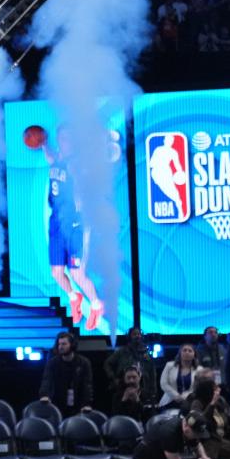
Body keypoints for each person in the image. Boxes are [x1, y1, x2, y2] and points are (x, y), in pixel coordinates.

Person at [42, 127, 103, 330]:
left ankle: (96, 305)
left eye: (67, 138)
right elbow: (51, 159)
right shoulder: (58, 158)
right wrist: (42, 142)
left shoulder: (79, 162)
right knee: (56, 273)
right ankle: (73, 296)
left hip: (76, 223)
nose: (63, 141)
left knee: (77, 273)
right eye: (61, 138)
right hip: (57, 223)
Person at [38, 331, 93, 419]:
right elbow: (47, 380)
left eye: (64, 344)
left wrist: (86, 403)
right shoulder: (53, 362)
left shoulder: (83, 362)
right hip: (58, 401)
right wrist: (44, 395)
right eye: (59, 344)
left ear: (72, 345)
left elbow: (87, 385)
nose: (60, 347)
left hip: (77, 403)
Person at [104, 326, 157, 400]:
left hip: (143, 390)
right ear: (129, 337)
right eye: (134, 334)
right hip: (122, 388)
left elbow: (152, 374)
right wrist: (113, 378)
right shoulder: (122, 352)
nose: (137, 336)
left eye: (139, 334)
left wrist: (153, 392)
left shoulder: (147, 354)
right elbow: (107, 364)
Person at [159, 344, 201, 410]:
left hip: (189, 403)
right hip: (170, 400)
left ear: (194, 355)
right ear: (180, 353)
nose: (187, 352)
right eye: (184, 350)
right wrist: (176, 396)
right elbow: (163, 383)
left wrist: (185, 397)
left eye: (190, 351)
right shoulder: (169, 365)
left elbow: (198, 388)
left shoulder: (199, 370)